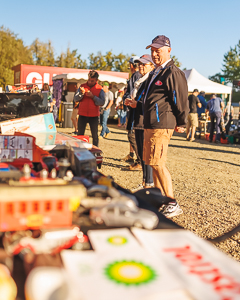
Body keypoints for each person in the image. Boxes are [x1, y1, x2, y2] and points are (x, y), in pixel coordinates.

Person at [143, 35, 189, 218]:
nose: (154, 54)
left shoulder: (172, 72)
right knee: (153, 162)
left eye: (158, 50)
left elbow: (180, 99)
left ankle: (172, 202)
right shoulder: (157, 72)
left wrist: (182, 121)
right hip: (152, 123)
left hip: (162, 122)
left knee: (158, 162)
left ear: (168, 50)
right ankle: (160, 199)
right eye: (152, 50)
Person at [125, 54, 155, 186]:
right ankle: (144, 181)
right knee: (141, 154)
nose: (140, 67)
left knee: (146, 153)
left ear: (151, 66)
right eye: (139, 64)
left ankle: (149, 182)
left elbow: (152, 102)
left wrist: (137, 103)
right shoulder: (140, 81)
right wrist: (128, 100)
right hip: (137, 119)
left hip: (146, 121)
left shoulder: (151, 80)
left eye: (144, 64)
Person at [74, 70, 105, 147]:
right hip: (82, 114)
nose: (90, 82)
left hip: (94, 115)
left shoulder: (100, 89)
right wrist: (81, 94)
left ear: (96, 80)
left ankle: (95, 150)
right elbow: (76, 99)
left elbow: (102, 102)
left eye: (92, 81)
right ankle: (79, 149)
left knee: (94, 136)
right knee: (80, 135)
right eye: (89, 80)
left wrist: (93, 97)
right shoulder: (82, 86)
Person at [122, 56, 142, 168]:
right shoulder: (136, 76)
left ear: (131, 65)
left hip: (134, 109)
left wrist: (127, 98)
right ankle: (135, 157)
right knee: (132, 134)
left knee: (132, 135)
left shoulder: (136, 75)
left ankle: (140, 161)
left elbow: (133, 93)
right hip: (133, 109)